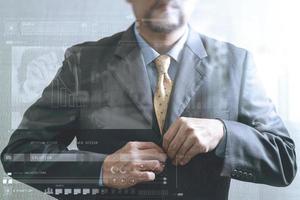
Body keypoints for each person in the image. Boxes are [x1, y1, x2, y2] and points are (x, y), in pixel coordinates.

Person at [1, 0, 297, 199]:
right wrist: (101, 170)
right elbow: (19, 154)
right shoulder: (84, 62)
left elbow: (284, 161)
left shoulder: (237, 63)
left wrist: (223, 133)